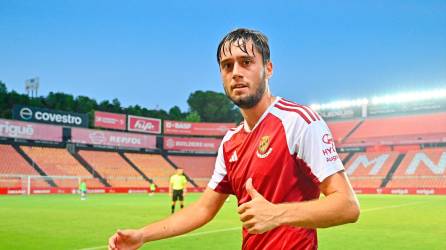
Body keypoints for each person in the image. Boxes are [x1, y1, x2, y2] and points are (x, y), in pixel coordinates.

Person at [108, 28, 360, 250]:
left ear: (268, 69)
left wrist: (277, 214)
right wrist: (143, 235)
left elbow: (347, 206)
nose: (236, 72)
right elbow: (203, 209)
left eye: (246, 62)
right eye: (227, 65)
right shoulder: (230, 142)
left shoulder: (299, 122)